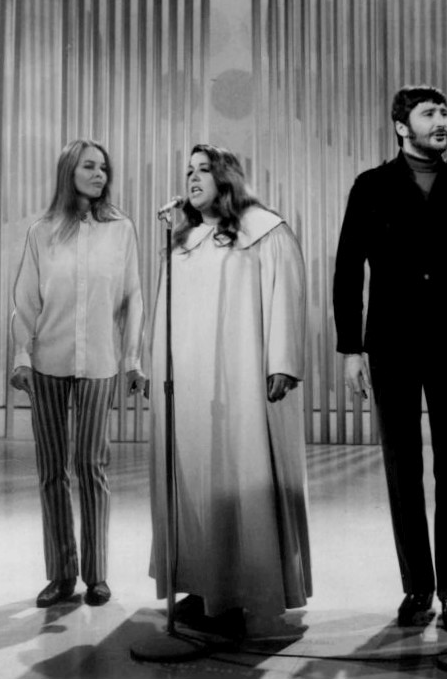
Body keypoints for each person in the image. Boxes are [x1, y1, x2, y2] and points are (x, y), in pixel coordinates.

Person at [333, 85, 447, 633]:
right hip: (391, 343)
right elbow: (347, 270)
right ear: (401, 126)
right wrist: (351, 348)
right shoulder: (371, 185)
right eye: (429, 113)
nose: (442, 120)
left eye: (445, 111)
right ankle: (417, 587)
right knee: (402, 466)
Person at [148, 143, 311, 638]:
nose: (193, 178)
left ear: (226, 178)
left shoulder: (262, 229)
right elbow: (165, 312)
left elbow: (286, 293)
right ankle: (202, 588)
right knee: (194, 483)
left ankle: (242, 593)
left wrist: (281, 361)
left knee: (239, 477)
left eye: (204, 169)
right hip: (189, 384)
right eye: (189, 171)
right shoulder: (182, 239)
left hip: (240, 378)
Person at [10, 139, 146, 608]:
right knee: (52, 470)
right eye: (89, 166)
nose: (99, 174)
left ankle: (97, 575)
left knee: (91, 465)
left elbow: (133, 298)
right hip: (47, 362)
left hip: (100, 363)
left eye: (104, 168)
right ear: (68, 171)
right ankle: (61, 574)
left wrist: (133, 359)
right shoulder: (42, 232)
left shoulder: (121, 230)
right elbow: (26, 301)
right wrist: (21, 357)